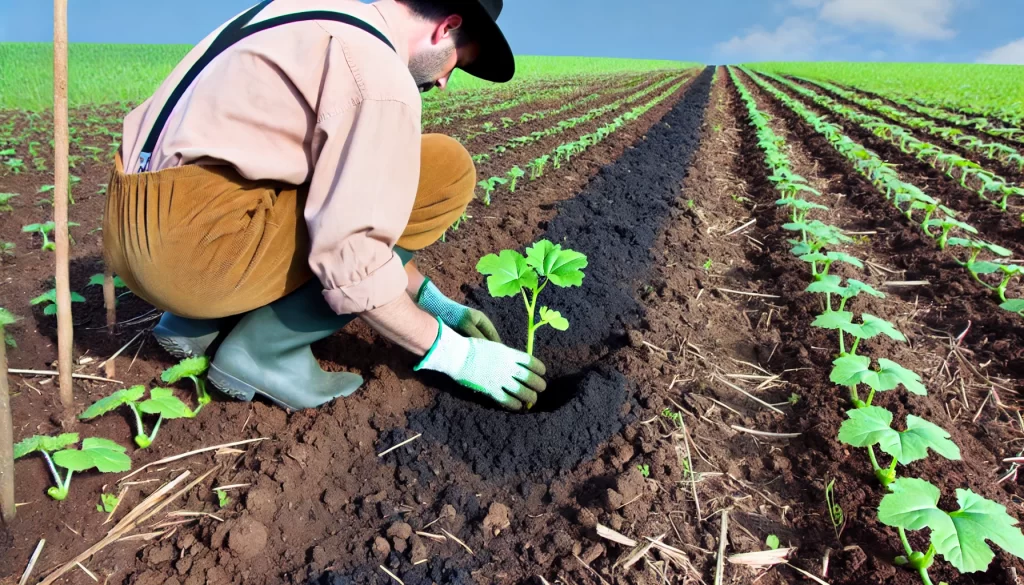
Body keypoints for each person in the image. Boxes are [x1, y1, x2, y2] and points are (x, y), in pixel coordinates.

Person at [103, 0, 547, 412]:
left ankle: (196, 323)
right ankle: (264, 352)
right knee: (443, 168)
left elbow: (314, 188)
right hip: (198, 259)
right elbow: (351, 257)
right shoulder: (377, 75)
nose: (445, 80)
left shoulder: (303, 11)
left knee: (308, 173)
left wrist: (431, 300)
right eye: (458, 61)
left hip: (135, 231)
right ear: (447, 26)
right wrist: (459, 356)